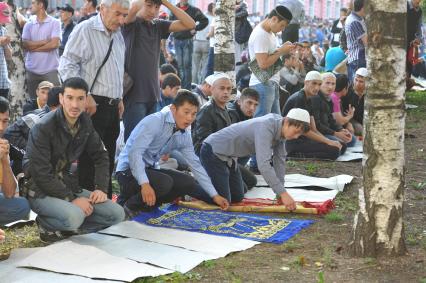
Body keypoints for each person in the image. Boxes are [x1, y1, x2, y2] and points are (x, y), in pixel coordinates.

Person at [23, 77, 125, 243]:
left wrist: (100, 188)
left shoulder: (85, 122)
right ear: (61, 98)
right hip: (38, 188)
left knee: (116, 214)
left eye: (80, 98)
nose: (75, 105)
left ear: (87, 100)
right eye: (70, 98)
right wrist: (72, 199)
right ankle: (45, 223)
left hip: (66, 183)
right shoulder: (43, 127)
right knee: (75, 217)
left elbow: (101, 155)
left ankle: (69, 223)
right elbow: (40, 173)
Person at [116, 90, 229, 217]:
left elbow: (195, 165)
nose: (189, 118)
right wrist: (145, 184)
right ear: (174, 109)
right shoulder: (155, 121)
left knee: (187, 182)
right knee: (164, 182)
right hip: (127, 171)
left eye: (193, 114)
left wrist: (215, 195)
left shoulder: (184, 133)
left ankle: (148, 205)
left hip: (150, 170)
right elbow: (134, 154)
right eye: (186, 112)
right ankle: (130, 205)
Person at [59, 0, 130, 199]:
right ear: (102, 9)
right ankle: (87, 203)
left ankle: (104, 200)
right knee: (90, 158)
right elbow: (66, 65)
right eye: (118, 14)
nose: (121, 20)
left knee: (105, 156)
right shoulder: (85, 29)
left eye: (125, 15)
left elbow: (117, 69)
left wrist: (120, 97)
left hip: (113, 104)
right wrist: (84, 95)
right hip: (91, 104)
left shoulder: (118, 34)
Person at [200, 108, 310, 208]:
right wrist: (283, 193)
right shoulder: (266, 126)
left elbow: (279, 161)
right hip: (213, 152)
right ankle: (197, 183)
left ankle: (215, 180)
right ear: (286, 121)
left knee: (237, 197)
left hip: (230, 158)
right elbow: (263, 164)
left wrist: (280, 192)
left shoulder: (282, 130)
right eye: (296, 132)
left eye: (299, 134)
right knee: (224, 199)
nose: (296, 137)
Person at [122, 0, 196, 141]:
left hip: (154, 94)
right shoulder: (130, 24)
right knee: (134, 142)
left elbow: (190, 24)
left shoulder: (158, 26)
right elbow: (132, 10)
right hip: (134, 95)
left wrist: (166, 3)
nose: (152, 11)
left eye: (157, 7)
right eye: (149, 6)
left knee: (150, 142)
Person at [247, 5, 294, 172]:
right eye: (281, 26)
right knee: (262, 125)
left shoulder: (270, 33)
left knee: (276, 124)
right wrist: (281, 51)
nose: (281, 30)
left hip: (270, 83)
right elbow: (263, 63)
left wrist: (283, 50)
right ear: (274, 19)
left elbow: (270, 59)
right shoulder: (261, 34)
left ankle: (269, 160)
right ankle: (256, 163)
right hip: (262, 84)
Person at [282, 71, 343, 160]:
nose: (317, 87)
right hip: (293, 141)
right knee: (334, 151)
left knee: (341, 145)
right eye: (314, 83)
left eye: (319, 84)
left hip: (304, 138)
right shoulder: (299, 98)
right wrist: (328, 142)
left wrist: (329, 141)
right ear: (306, 83)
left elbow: (313, 128)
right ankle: (295, 155)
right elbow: (304, 130)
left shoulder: (309, 98)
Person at [4, 86, 62, 176]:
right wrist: (28, 147)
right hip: (22, 153)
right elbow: (9, 132)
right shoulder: (37, 118)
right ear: (57, 106)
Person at [0, 97, 31, 226]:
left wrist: (5, 161)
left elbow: (10, 193)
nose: (1, 127)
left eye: (5, 121)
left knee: (23, 206)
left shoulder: (4, 145)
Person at [22, 0, 61, 99]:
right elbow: (25, 45)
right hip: (31, 71)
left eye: (33, 3)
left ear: (41, 5)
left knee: (55, 101)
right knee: (33, 103)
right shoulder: (28, 24)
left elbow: (53, 44)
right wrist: (43, 42)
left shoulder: (55, 23)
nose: (31, 6)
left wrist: (34, 49)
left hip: (50, 70)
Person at [170, 0, 208, 90]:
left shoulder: (194, 10)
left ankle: (186, 89)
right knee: (180, 66)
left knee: (187, 66)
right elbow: (169, 22)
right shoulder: (174, 9)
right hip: (177, 40)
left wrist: (196, 28)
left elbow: (205, 21)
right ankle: (181, 88)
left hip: (188, 40)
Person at [311, 72, 355, 147]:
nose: (330, 87)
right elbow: (318, 125)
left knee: (351, 139)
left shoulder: (329, 98)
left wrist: (340, 129)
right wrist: (335, 133)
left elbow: (331, 119)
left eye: (333, 84)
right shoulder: (316, 98)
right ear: (320, 84)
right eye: (327, 83)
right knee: (341, 145)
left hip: (328, 130)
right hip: (319, 133)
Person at [193, 73, 232, 156]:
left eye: (229, 89)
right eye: (222, 88)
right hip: (207, 157)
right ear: (212, 89)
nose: (226, 92)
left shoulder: (226, 110)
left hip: (221, 154)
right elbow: (204, 143)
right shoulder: (206, 111)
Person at [345, 0, 367, 82]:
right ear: (363, 8)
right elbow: (366, 42)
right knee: (357, 85)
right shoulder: (354, 21)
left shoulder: (355, 18)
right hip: (358, 58)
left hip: (356, 57)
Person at [342, 67, 367, 136]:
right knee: (361, 130)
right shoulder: (347, 92)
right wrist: (348, 123)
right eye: (356, 80)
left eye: (361, 82)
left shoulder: (370, 95)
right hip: (350, 120)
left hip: (365, 120)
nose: (357, 84)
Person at [192, 3, 212, 84]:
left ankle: (193, 84)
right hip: (206, 43)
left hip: (196, 42)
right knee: (204, 67)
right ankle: (202, 83)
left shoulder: (201, 17)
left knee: (195, 66)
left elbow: (194, 29)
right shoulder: (213, 18)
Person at [407, 0, 423, 82]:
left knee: (409, 63)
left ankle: (407, 84)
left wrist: (418, 38)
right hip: (400, 40)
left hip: (411, 41)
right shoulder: (404, 6)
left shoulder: (420, 11)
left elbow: (419, 26)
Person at [0, 2, 11, 99]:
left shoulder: (3, 30)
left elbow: (9, 56)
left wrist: (6, 44)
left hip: (2, 81)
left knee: (3, 112)